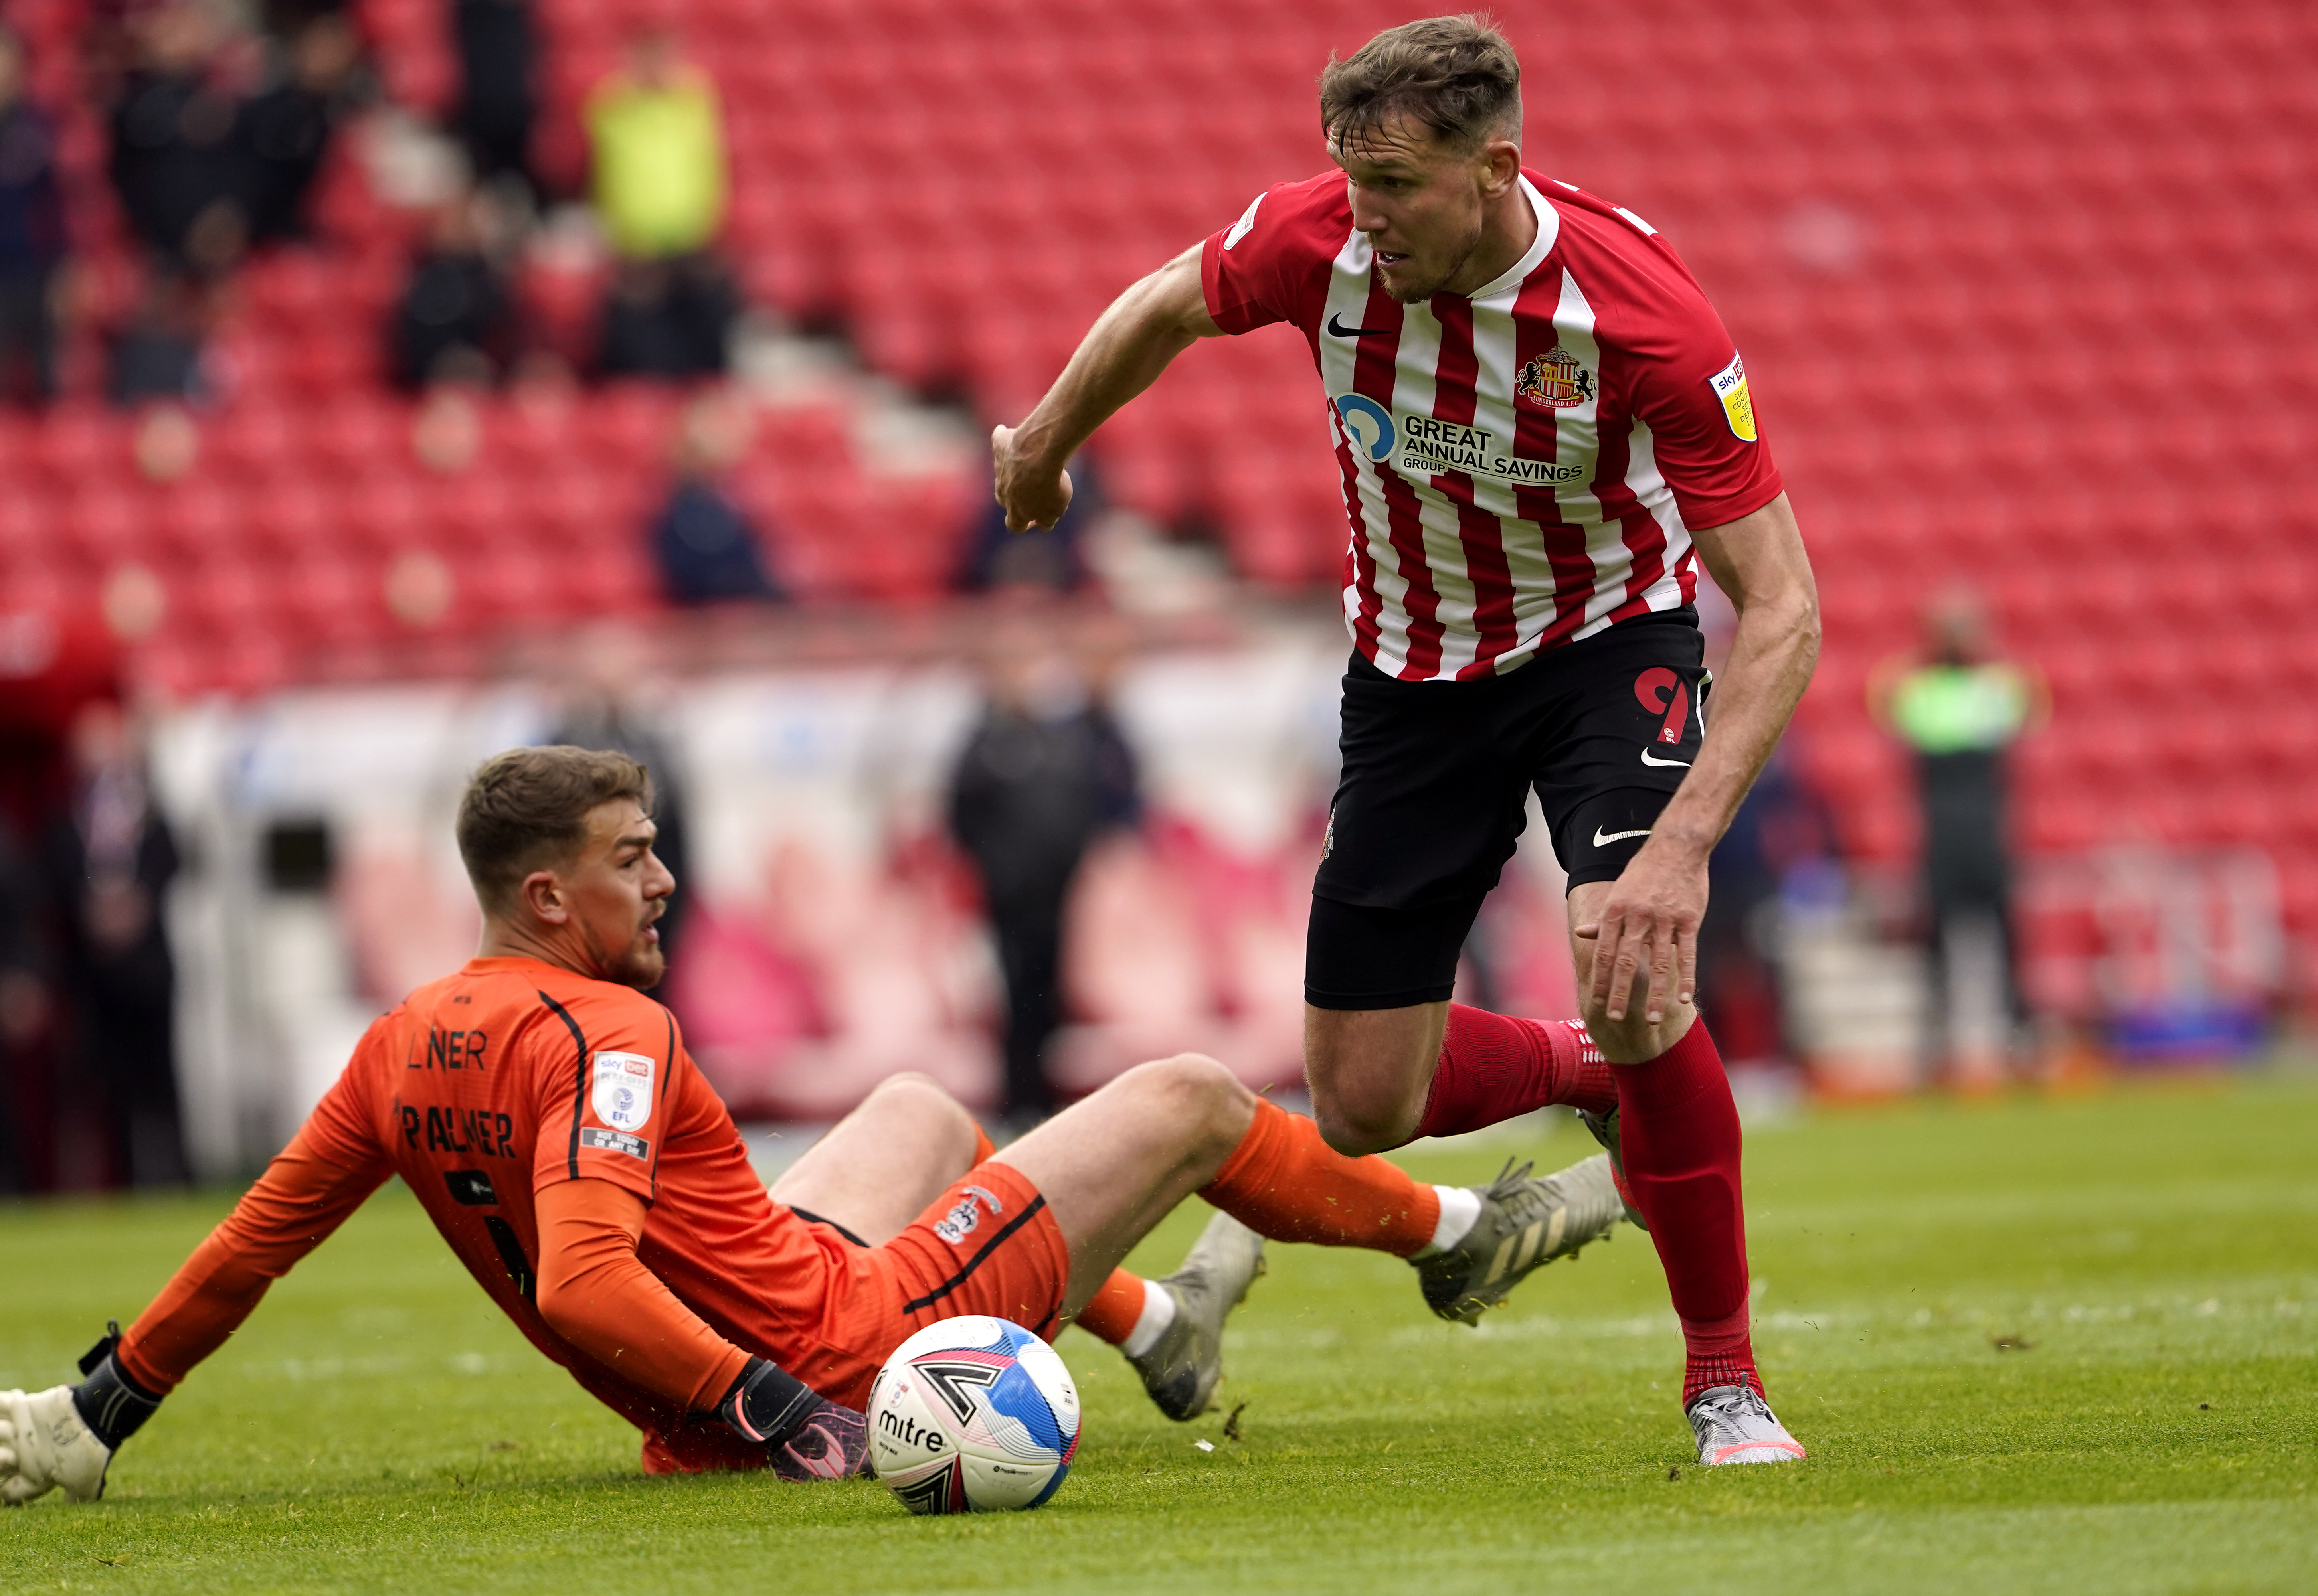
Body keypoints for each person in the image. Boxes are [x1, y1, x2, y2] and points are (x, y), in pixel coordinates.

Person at [0, 745, 1624, 1504]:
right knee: (1196, 1096)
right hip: (844, 1353)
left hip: (714, 1365)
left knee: (921, 1104)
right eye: (635, 857)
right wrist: (787, 1406)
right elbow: (578, 1281)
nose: (668, 878)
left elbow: (250, 1245)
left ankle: (1153, 1320)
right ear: (548, 893)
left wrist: (103, 1406)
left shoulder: (400, 1042)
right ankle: (1461, 1242)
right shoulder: (609, 1030)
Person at [989, 16, 1820, 1467]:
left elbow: (1788, 606)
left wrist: (1682, 847)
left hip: (1601, 648)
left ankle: (1726, 1381)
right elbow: (1167, 303)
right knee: (1366, 1101)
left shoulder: (1640, 314)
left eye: (1394, 186)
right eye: (1349, 181)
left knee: (1636, 966)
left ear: (1496, 167)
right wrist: (1049, 441)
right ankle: (1592, 1075)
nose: (1363, 215)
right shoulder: (1325, 242)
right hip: (1413, 675)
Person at [947, 621, 1139, 1124]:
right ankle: (1018, 1099)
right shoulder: (986, 742)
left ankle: (1048, 1098)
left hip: (1062, 896)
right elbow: (961, 816)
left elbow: (1099, 804)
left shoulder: (1065, 738)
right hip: (1008, 899)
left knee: (1053, 996)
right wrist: (995, 870)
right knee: (1013, 997)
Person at [1869, 586, 2043, 1085]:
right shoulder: (1931, 690)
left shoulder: (1994, 688)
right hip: (1948, 837)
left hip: (1982, 835)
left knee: (2006, 945)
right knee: (1939, 950)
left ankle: (2018, 1046)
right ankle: (1941, 1052)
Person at [39, 699, 185, 1188]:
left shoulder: (147, 806)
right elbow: (55, 870)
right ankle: (130, 1182)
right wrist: (91, 909)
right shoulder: (66, 814)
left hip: (149, 968)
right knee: (112, 1084)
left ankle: (181, 1178)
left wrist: (136, 901)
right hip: (97, 973)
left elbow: (174, 858)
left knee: (163, 1081)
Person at [585, 26, 734, 379]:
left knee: (702, 328)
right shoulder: (615, 107)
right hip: (636, 240)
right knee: (641, 337)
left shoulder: (692, 102)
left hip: (690, 235)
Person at [0, 26, 67, 407]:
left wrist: (63, 267)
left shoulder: (37, 127)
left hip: (31, 270)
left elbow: (56, 206)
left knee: (46, 381)